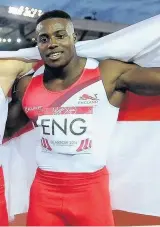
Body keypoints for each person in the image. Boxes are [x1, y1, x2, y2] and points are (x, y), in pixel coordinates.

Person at [3, 9, 160, 226]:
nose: (52, 43)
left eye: (60, 35)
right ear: (37, 44)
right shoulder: (27, 85)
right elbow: (7, 130)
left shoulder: (107, 74)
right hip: (44, 190)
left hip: (90, 191)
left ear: (73, 37)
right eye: (44, 39)